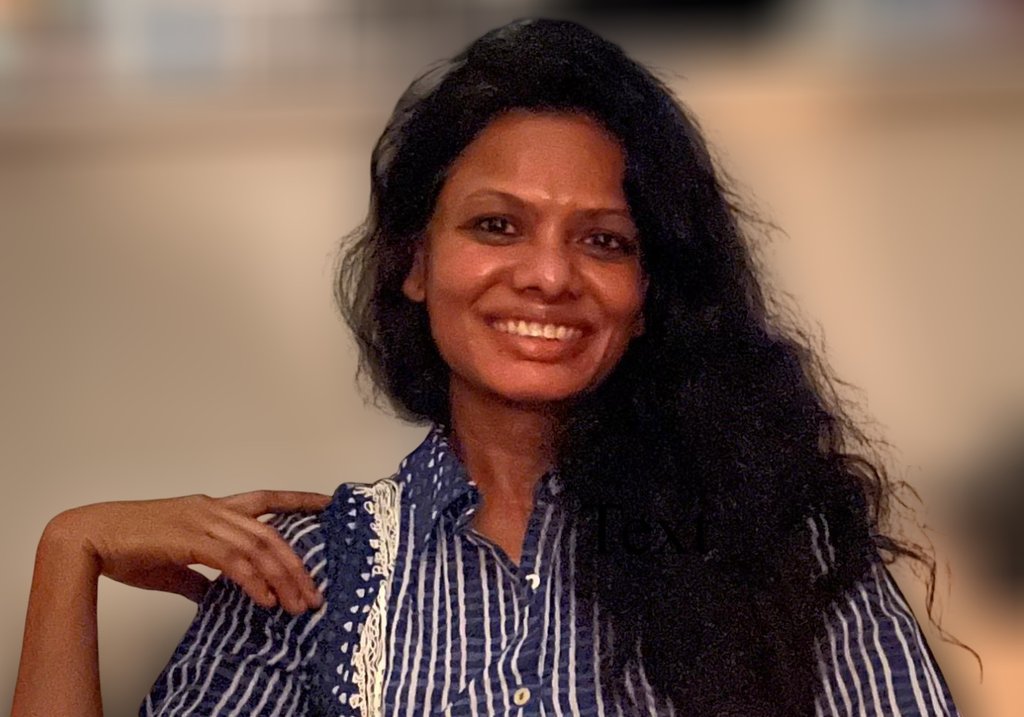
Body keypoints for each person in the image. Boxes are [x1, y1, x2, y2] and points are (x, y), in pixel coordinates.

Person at [13, 18, 961, 717]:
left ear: (648, 296)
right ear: (415, 261)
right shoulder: (301, 573)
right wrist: (68, 552)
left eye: (603, 239)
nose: (549, 275)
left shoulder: (789, 556)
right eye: (497, 225)